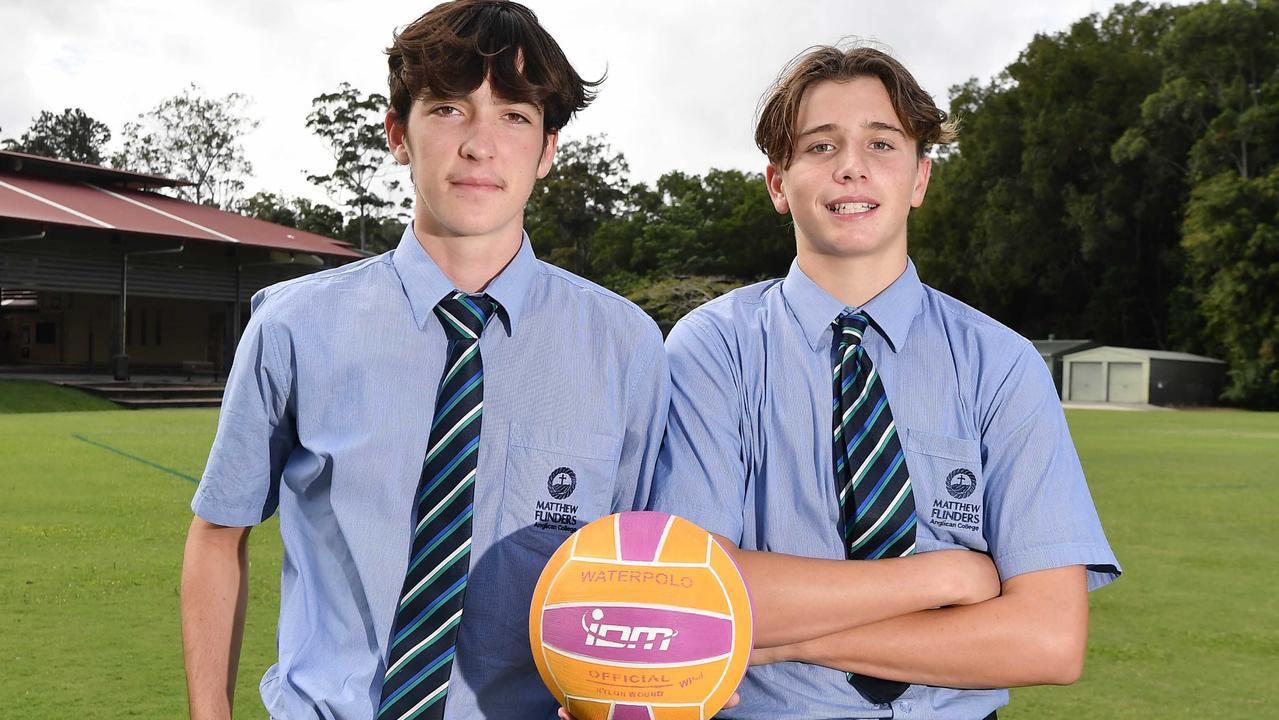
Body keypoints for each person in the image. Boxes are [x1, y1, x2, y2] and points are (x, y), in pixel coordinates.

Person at [180, 2, 670, 719]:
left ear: (547, 149)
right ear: (397, 135)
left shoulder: (626, 346)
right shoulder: (291, 326)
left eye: (513, 115)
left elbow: (647, 572)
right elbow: (218, 536)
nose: (479, 145)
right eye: (447, 110)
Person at [647, 45, 1121, 719]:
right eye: (818, 146)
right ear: (778, 184)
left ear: (919, 178)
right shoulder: (713, 347)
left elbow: (1046, 642)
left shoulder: (1000, 363)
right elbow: (695, 596)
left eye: (880, 142)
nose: (850, 166)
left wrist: (784, 636)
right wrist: (945, 576)